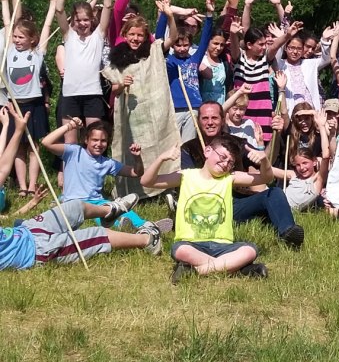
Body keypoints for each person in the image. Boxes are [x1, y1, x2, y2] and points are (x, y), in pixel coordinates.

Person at [141, 138, 273, 283]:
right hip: (191, 244)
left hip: (223, 245)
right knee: (180, 250)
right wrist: (161, 158)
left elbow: (266, 177)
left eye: (230, 163)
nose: (225, 164)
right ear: (208, 151)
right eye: (223, 157)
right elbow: (147, 181)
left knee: (250, 250)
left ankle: (196, 271)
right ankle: (237, 269)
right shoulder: (186, 175)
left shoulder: (229, 178)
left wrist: (264, 160)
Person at [181, 101, 305, 248]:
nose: (210, 123)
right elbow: (187, 183)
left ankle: (288, 233)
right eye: (205, 118)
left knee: (274, 193)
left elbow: (266, 159)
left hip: (236, 203)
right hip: (208, 208)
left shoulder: (237, 143)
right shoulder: (188, 149)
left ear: (222, 120)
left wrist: (275, 136)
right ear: (198, 122)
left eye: (214, 118)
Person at [101, 0, 181, 198]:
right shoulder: (117, 60)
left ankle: (165, 188)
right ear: (124, 35)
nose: (136, 39)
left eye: (140, 35)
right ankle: (133, 193)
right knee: (132, 151)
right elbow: (114, 90)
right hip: (132, 119)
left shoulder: (153, 51)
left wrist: (170, 16)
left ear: (146, 37)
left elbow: (173, 37)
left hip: (155, 114)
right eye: (132, 34)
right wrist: (122, 84)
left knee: (160, 147)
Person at [41, 117, 160, 232]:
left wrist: (137, 158)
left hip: (97, 202)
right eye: (95, 140)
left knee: (122, 208)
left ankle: (146, 225)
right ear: (86, 140)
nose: (99, 144)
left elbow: (136, 173)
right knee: (100, 217)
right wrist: (69, 126)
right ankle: (121, 226)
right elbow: (46, 142)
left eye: (103, 141)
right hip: (74, 202)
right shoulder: (74, 152)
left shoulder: (107, 163)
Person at [0, 193, 161, 270]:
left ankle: (109, 212)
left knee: (75, 207)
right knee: (96, 236)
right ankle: (148, 240)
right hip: (36, 251)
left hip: (26, 230)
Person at [1, 0, 57, 195]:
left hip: (33, 105)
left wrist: (52, 4)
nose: (16, 40)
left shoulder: (37, 52)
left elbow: (47, 26)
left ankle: (33, 185)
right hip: (15, 104)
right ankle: (22, 187)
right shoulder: (9, 50)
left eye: (21, 38)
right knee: (19, 147)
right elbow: (8, 22)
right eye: (14, 37)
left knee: (34, 146)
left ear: (32, 39)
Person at [54, 0, 114, 146]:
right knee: (70, 144)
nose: (82, 24)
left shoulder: (98, 36)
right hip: (70, 95)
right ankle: (72, 175)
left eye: (86, 20)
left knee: (95, 142)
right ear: (73, 21)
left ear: (91, 20)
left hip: (92, 95)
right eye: (78, 20)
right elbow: (59, 10)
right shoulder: (68, 36)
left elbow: (108, 6)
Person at [164, 0, 215, 143]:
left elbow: (205, 38)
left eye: (185, 45)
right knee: (174, 144)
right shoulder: (168, 61)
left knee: (188, 143)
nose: (181, 49)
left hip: (194, 107)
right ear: (172, 45)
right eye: (178, 45)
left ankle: (188, 166)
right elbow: (161, 38)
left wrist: (209, 15)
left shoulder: (194, 59)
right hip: (175, 108)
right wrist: (166, 14)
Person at [272, 110, 330, 210]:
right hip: (276, 202)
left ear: (314, 162)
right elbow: (269, 170)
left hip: (284, 209)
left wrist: (321, 126)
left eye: (305, 163)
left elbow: (326, 155)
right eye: (298, 165)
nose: (301, 168)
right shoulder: (293, 175)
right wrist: (260, 148)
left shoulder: (317, 180)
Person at [199, 26, 233, 105]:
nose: (218, 48)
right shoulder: (200, 60)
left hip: (220, 105)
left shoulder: (224, 63)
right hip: (203, 104)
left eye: (222, 45)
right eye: (215, 43)